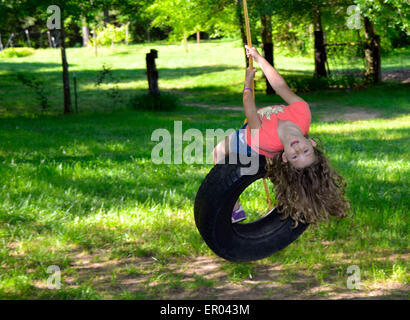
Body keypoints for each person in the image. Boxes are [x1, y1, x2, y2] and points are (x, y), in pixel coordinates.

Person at [213, 45, 350, 224]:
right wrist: (258, 58)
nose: (297, 148)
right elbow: (280, 86)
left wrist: (248, 83)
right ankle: (283, 185)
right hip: (265, 135)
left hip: (250, 140)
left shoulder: (264, 137)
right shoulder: (302, 114)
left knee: (218, 152)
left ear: (285, 156)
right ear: (312, 144)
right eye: (305, 151)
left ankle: (235, 209)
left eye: (294, 155)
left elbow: (249, 106)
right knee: (283, 172)